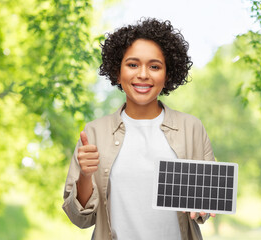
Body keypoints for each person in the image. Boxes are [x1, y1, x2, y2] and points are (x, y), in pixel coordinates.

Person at [62, 18, 216, 240]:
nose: (143, 74)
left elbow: (206, 204)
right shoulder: (95, 132)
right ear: (117, 71)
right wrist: (85, 176)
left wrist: (204, 202)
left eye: (154, 66)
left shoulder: (192, 128)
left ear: (168, 74)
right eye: (133, 64)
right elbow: (81, 219)